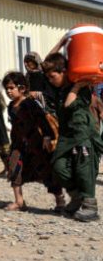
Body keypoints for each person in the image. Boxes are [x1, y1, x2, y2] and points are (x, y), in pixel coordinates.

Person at [42, 53, 102, 221]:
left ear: (64, 72)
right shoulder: (59, 89)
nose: (50, 80)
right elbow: (43, 64)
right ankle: (77, 198)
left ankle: (90, 207)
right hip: (67, 137)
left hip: (83, 135)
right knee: (59, 167)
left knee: (84, 169)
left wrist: (75, 87)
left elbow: (69, 105)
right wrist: (62, 42)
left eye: (52, 76)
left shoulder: (82, 86)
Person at [2, 71, 65, 212]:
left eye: (12, 88)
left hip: (36, 144)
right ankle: (19, 201)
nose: (9, 91)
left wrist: (47, 137)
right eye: (7, 88)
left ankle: (60, 201)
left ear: (22, 88)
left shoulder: (30, 104)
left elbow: (42, 121)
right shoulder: (11, 106)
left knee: (46, 170)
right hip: (18, 144)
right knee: (13, 168)